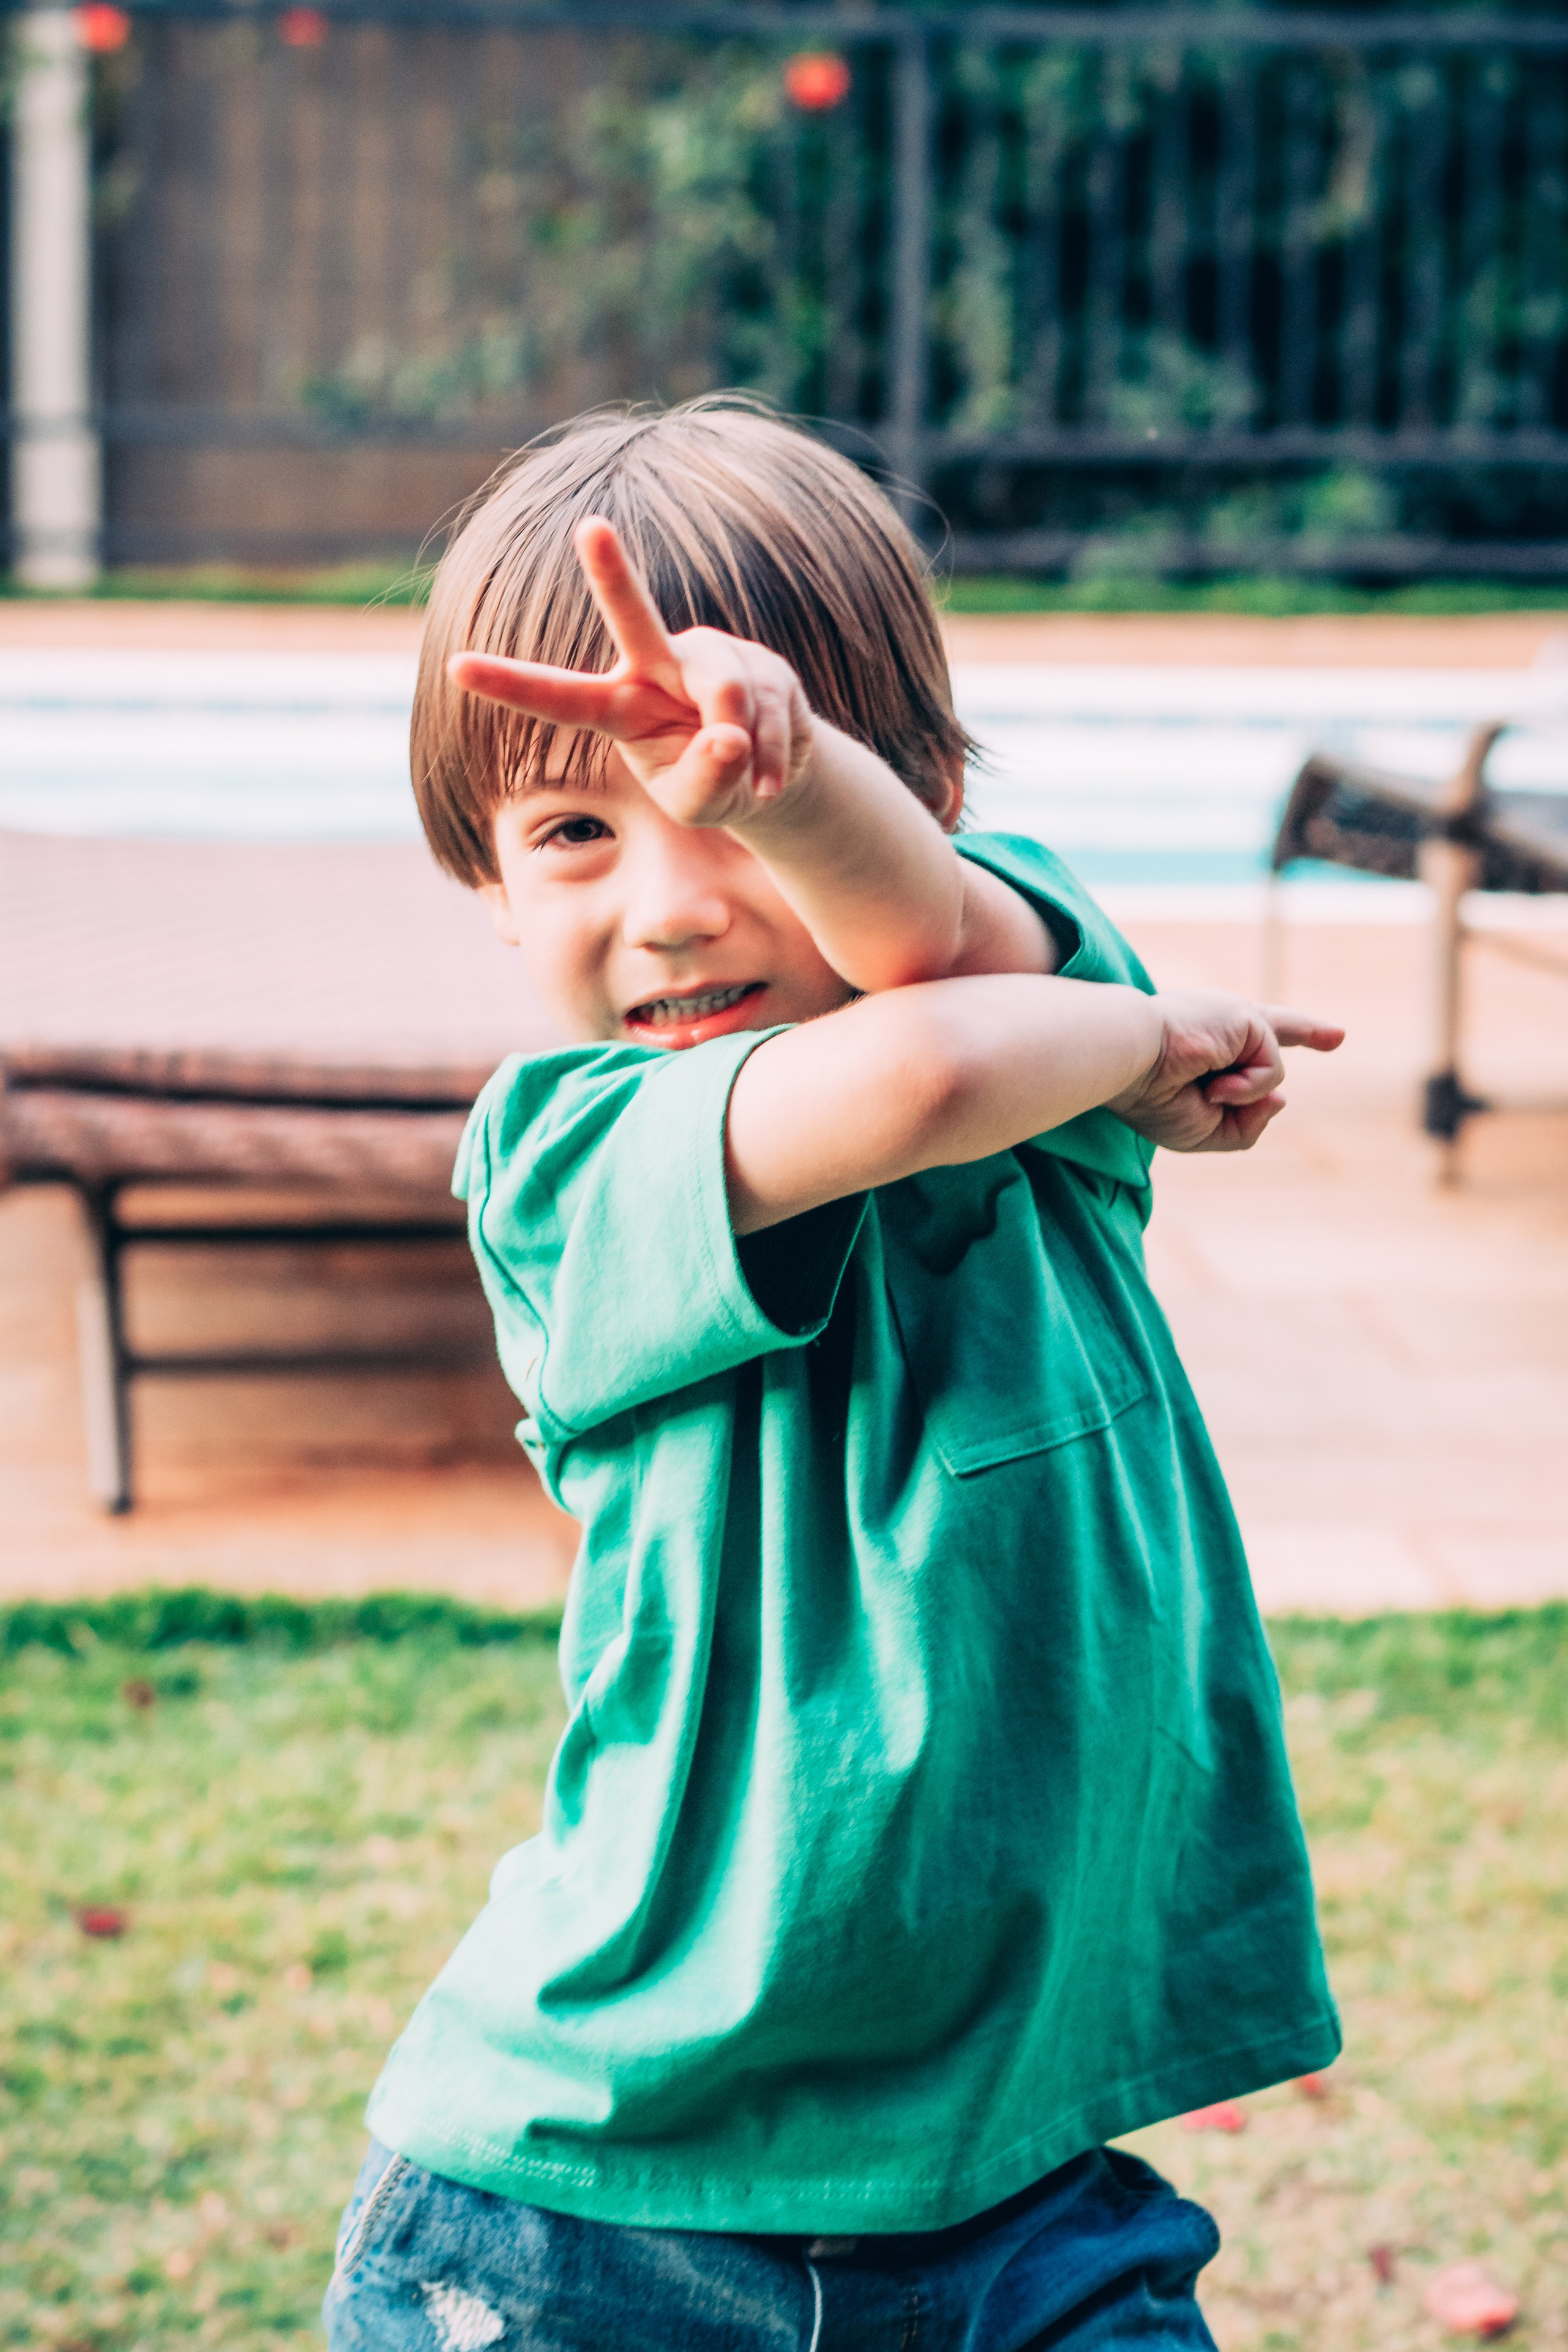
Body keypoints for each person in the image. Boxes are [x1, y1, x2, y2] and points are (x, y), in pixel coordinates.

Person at [323, 398, 1344, 2352]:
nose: (672, 899)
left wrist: (800, 777)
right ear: (491, 888)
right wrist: (1143, 1039)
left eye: (728, 811)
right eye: (572, 834)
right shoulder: (570, 1160)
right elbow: (934, 1069)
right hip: (603, 2213)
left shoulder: (1029, 985)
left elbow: (937, 952)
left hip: (1018, 2187)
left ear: (923, 779)